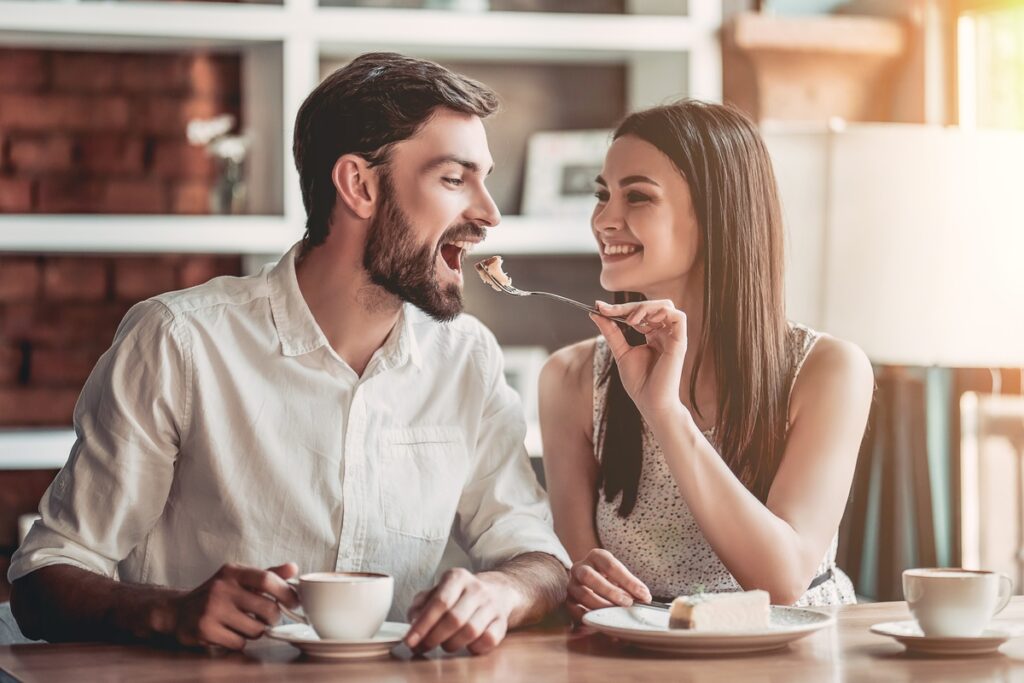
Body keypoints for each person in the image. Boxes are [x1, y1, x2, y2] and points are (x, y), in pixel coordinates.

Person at [9, 52, 569, 655]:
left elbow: (536, 554)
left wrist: (501, 592)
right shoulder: (179, 341)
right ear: (359, 185)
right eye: (455, 180)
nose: (489, 214)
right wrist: (171, 611)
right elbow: (43, 579)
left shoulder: (468, 358)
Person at [538, 100, 874, 622]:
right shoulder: (571, 378)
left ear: (718, 215)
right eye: (602, 195)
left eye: (637, 196)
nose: (604, 220)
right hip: (633, 651)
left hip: (790, 650)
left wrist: (664, 412)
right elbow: (582, 578)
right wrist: (578, 581)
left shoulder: (828, 371)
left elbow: (782, 580)